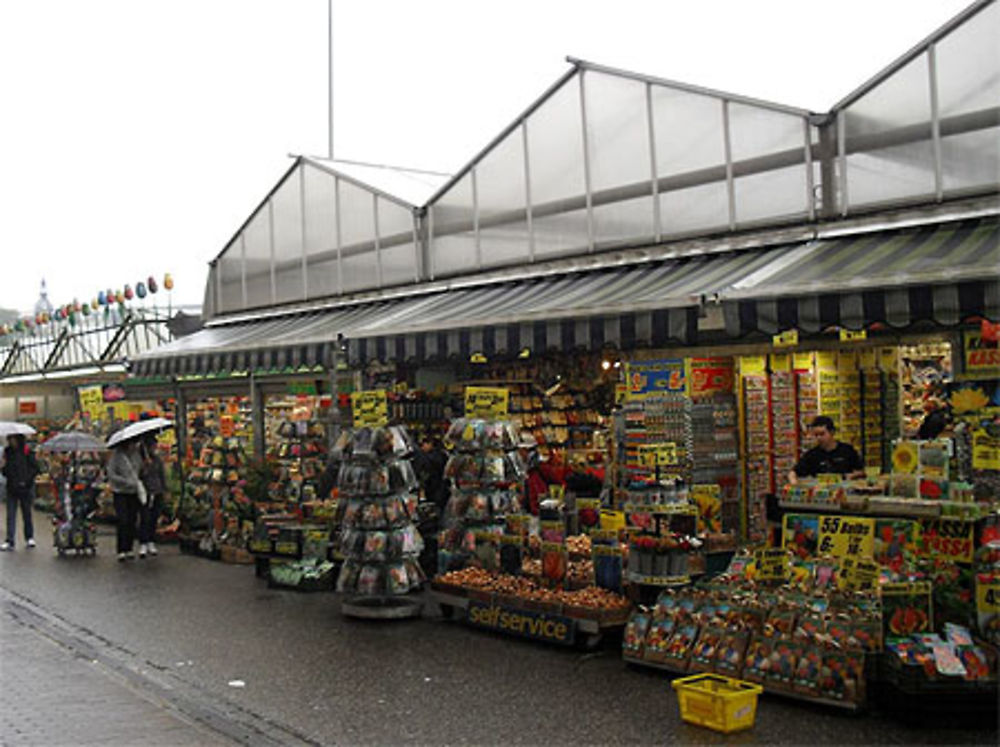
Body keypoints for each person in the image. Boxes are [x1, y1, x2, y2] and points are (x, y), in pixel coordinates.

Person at [788, 415, 864, 484]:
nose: (819, 438)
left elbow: (860, 472)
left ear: (832, 432)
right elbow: (793, 473)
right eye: (816, 435)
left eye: (822, 434)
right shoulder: (812, 455)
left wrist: (850, 476)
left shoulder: (847, 450)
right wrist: (795, 484)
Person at [1, 434, 40, 551]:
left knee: (26, 513)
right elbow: (5, 470)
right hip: (12, 487)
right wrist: (4, 468)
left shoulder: (27, 451)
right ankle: (9, 540)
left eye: (13, 439)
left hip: (25, 488)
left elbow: (35, 468)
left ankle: (29, 537)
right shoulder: (7, 452)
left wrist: (27, 481)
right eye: (10, 439)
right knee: (10, 515)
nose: (11, 441)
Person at [108, 439, 143, 561]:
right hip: (120, 492)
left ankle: (129, 548)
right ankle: (121, 549)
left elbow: (140, 469)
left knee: (132, 520)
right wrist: (125, 481)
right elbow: (111, 474)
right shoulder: (116, 456)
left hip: (133, 493)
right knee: (123, 519)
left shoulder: (137, 455)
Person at [138, 435, 167, 558]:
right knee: (145, 517)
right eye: (153, 446)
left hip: (157, 491)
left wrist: (164, 489)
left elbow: (162, 475)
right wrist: (145, 467)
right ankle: (143, 542)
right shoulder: (140, 460)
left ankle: (151, 541)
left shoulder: (158, 460)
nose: (155, 448)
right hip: (145, 492)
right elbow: (138, 475)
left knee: (154, 517)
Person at [413, 435, 448, 512]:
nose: (422, 447)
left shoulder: (435, 456)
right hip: (436, 488)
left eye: (424, 444)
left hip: (436, 487)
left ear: (430, 444)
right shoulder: (441, 454)